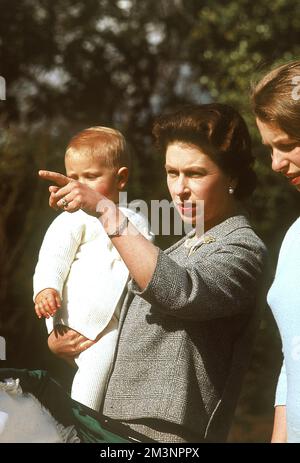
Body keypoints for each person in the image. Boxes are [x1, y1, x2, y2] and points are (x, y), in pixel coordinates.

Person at [33, 103, 267, 443]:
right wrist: (66, 338)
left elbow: (181, 293)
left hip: (166, 440)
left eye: (196, 173)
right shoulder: (175, 249)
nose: (180, 188)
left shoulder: (242, 248)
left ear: (232, 176)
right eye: (172, 173)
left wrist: (103, 210)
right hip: (113, 430)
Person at [33, 126, 153, 412]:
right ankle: (80, 421)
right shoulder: (70, 219)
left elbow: (148, 267)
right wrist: (45, 289)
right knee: (93, 371)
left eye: (90, 177)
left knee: (104, 362)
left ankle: (88, 420)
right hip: (75, 314)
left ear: (120, 178)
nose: (80, 186)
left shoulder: (138, 219)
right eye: (73, 178)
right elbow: (53, 257)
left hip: (112, 323)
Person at [252, 60, 300, 443]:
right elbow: (293, 356)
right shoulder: (294, 236)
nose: (276, 164)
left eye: (286, 145)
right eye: (270, 148)